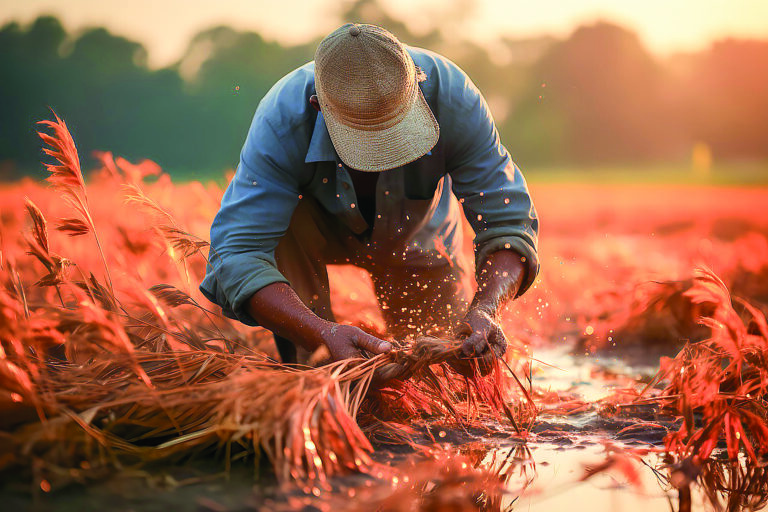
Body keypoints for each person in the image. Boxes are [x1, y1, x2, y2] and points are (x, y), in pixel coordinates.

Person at [200, 23, 539, 369]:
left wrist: (486, 307)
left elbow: (509, 222)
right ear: (320, 108)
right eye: (367, 142)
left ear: (418, 85)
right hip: (310, 233)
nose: (384, 160)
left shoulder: (453, 97)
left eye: (398, 134)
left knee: (447, 369)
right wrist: (321, 333)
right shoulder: (282, 120)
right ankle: (317, 365)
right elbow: (237, 255)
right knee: (327, 374)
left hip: (421, 234)